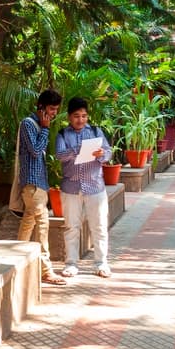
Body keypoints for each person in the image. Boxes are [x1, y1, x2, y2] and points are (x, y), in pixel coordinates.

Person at [53, 97, 113, 280]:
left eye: (84, 116)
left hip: (95, 187)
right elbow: (60, 155)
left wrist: (102, 154)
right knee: (71, 227)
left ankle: (101, 263)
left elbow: (108, 152)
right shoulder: (63, 134)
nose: (81, 120)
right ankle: (71, 264)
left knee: (99, 226)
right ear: (69, 117)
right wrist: (78, 150)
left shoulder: (96, 131)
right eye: (76, 116)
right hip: (71, 188)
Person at [12, 89, 67, 285]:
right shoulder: (28, 123)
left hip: (40, 184)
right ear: (41, 107)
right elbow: (35, 151)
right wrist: (45, 128)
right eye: (51, 109)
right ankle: (46, 271)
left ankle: (14, 263)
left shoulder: (40, 125)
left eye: (56, 109)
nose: (54, 113)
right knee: (43, 224)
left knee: (28, 223)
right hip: (32, 184)